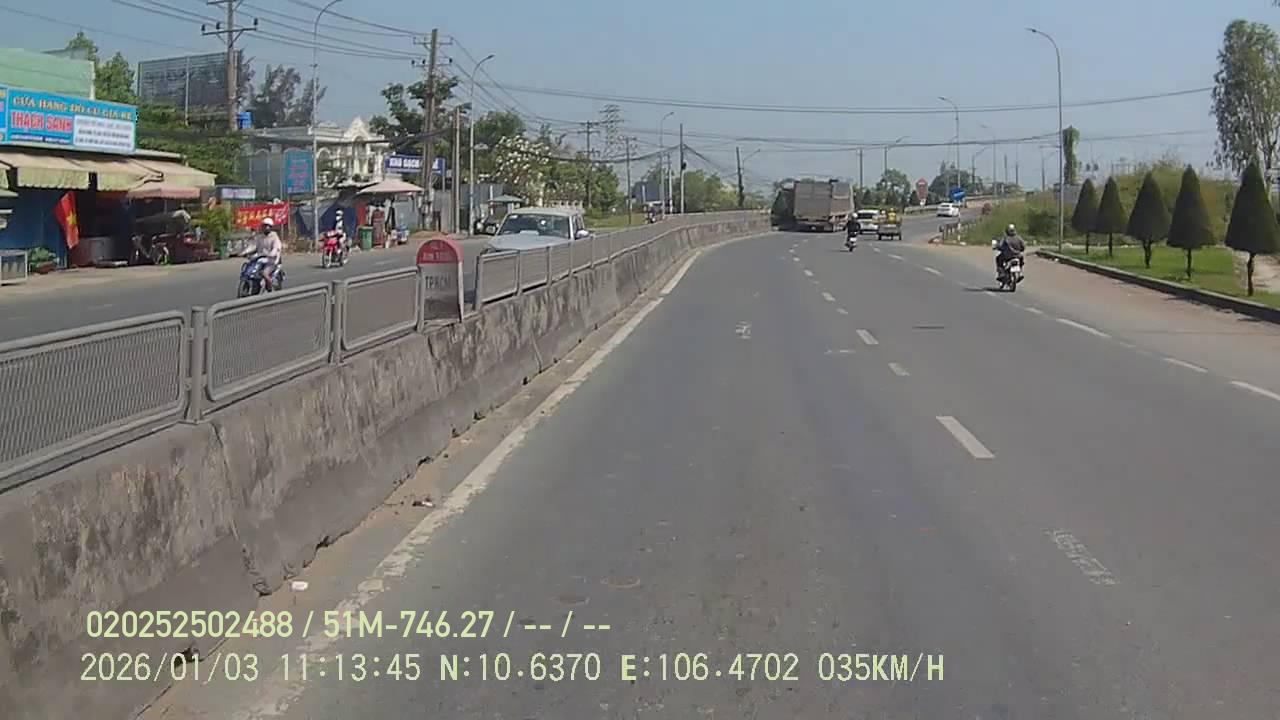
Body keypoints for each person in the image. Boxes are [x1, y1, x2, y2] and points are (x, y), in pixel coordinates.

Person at [247, 216, 283, 290]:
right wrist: (244, 252)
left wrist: (271, 254)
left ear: (271, 227)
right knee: (251, 268)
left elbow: (276, 248)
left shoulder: (274, 237)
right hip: (261, 259)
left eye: (267, 226)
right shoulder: (260, 237)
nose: (266, 228)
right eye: (264, 226)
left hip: (272, 261)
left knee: (264, 273)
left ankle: (271, 285)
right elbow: (254, 246)